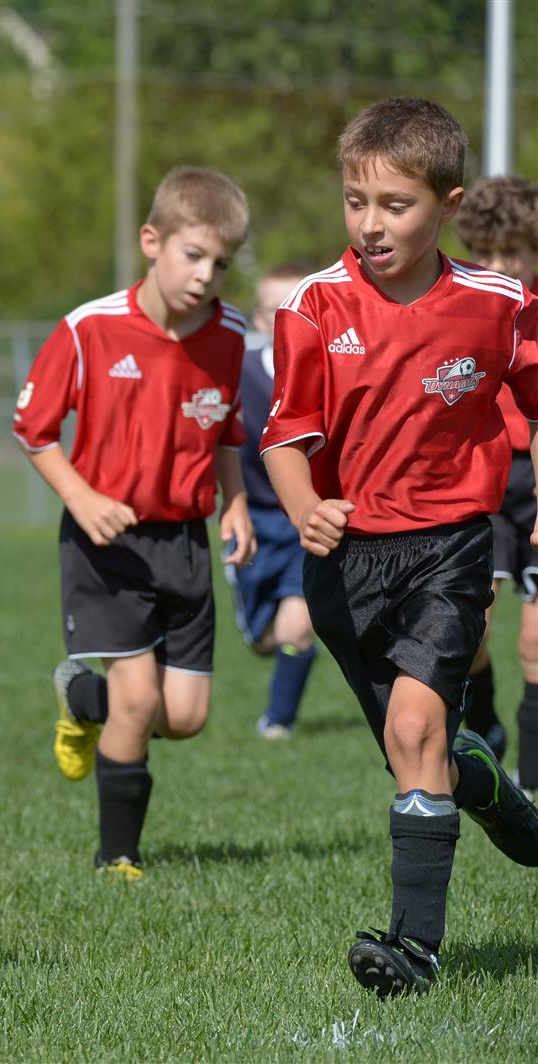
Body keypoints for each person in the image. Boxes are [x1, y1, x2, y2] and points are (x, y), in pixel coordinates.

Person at [260, 98, 538, 998]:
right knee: (420, 753)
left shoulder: (499, 305)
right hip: (344, 562)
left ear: (447, 205)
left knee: (418, 730)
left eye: (394, 205)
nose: (370, 224)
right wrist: (306, 506)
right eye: (355, 202)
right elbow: (284, 434)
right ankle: (491, 790)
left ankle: (414, 950)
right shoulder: (313, 305)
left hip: (449, 549)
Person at [13, 166, 255, 882]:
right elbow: (33, 429)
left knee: (184, 716)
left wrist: (236, 501)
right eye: (193, 255)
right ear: (153, 241)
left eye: (221, 263)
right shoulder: (90, 328)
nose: (206, 275)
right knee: (141, 697)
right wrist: (83, 498)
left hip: (184, 542)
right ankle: (117, 857)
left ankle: (83, 697)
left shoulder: (230, 334)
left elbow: (227, 430)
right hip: (107, 542)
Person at [455, 174, 538, 790]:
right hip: (482, 476)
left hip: (535, 479)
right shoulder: (457, 306)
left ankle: (532, 781)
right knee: (471, 629)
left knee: (535, 642)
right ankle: (485, 724)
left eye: (512, 252)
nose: (499, 266)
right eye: (485, 253)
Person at [225, 264, 320, 739]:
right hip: (254, 519)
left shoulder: (331, 373)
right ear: (260, 319)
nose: (286, 321)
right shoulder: (236, 374)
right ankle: (283, 646)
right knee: (264, 638)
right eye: (275, 311)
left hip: (308, 516)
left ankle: (278, 722)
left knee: (294, 626)